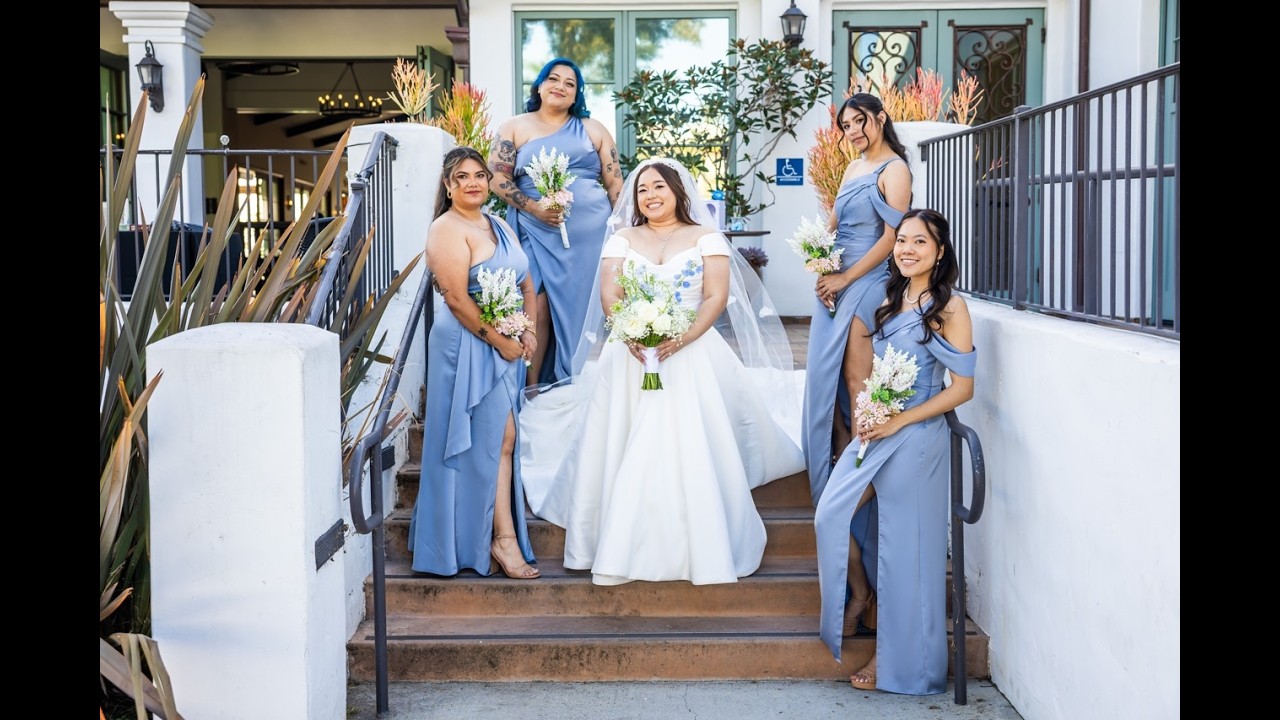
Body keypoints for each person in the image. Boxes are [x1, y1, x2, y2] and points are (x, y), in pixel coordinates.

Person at [517, 157, 805, 586]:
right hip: (630, 353)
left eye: (659, 188)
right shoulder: (622, 238)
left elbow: (715, 296)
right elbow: (611, 294)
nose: (650, 196)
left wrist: (681, 339)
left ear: (678, 192)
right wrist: (632, 335)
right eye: (642, 190)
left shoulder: (706, 237)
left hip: (690, 349)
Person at [812, 208, 976, 695]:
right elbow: (871, 372)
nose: (906, 249)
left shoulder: (950, 307)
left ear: (940, 251)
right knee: (830, 512)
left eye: (919, 242)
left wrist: (899, 419)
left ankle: (900, 663)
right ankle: (860, 595)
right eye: (901, 240)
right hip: (877, 432)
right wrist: (866, 411)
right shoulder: (891, 297)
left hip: (918, 436)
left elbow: (962, 388)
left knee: (908, 555)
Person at [801, 93, 913, 637]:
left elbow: (893, 240)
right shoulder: (851, 166)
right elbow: (836, 227)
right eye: (845, 124)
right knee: (830, 400)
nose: (851, 130)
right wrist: (823, 263)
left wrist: (846, 278)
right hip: (836, 283)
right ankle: (838, 464)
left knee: (853, 385)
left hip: (864, 284)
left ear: (880, 119)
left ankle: (857, 476)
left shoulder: (895, 169)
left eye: (858, 121)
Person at [407, 146, 541, 580]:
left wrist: (529, 329)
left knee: (503, 439)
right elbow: (457, 299)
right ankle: (497, 540)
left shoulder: (498, 223)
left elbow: (525, 281)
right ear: (448, 186)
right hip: (466, 344)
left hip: (504, 343)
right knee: (486, 439)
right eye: (461, 176)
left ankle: (495, 535)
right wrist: (500, 339)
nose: (473, 183)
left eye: (479, 175)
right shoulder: (446, 230)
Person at [490, 57, 624, 387]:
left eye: (570, 83)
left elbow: (616, 186)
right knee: (533, 304)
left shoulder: (594, 129)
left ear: (577, 94)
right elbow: (496, 178)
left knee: (577, 311)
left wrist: (624, 235)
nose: (560, 86)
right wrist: (534, 208)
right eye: (553, 79)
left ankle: (570, 383)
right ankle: (532, 387)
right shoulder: (514, 127)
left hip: (588, 239)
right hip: (533, 229)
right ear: (539, 85)